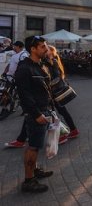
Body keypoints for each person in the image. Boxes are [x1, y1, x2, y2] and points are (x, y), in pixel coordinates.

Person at [15, 36, 54, 193]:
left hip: (43, 109)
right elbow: (24, 95)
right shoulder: (25, 68)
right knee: (33, 147)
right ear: (33, 49)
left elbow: (46, 86)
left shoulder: (40, 65)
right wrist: (37, 114)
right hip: (35, 113)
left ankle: (35, 170)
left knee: (36, 145)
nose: (46, 49)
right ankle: (29, 180)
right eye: (43, 47)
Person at [45, 46, 79, 141]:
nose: (45, 51)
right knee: (61, 112)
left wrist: (48, 85)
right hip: (54, 93)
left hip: (54, 93)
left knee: (54, 113)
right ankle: (73, 130)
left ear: (51, 52)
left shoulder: (53, 62)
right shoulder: (51, 62)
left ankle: (63, 133)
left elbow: (56, 77)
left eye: (47, 50)